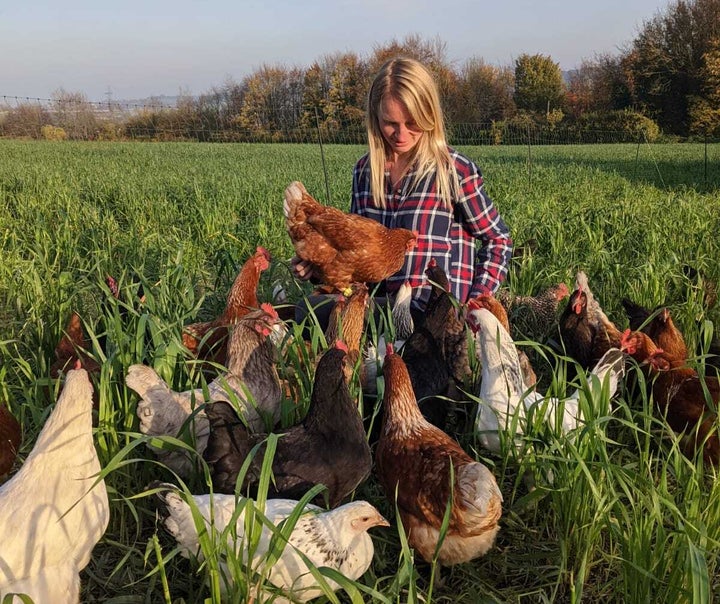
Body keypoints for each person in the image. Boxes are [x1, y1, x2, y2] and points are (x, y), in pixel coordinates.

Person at [293, 56, 512, 324]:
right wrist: (317, 266)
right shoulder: (365, 172)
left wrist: (476, 302)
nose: (401, 134)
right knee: (307, 311)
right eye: (391, 123)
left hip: (431, 312)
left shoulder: (453, 171)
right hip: (377, 307)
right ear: (376, 117)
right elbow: (350, 255)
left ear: (429, 116)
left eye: (412, 122)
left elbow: (498, 239)